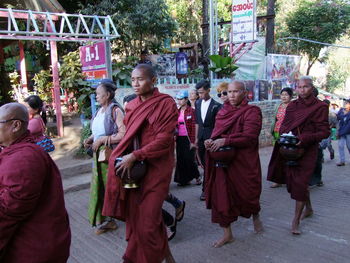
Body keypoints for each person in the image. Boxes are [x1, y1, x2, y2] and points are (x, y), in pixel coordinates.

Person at [103, 64, 178, 263]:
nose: (135, 84)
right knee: (141, 219)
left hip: (157, 167)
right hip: (135, 171)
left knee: (147, 221)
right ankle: (168, 258)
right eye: (133, 79)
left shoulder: (166, 104)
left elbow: (164, 140)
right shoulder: (131, 105)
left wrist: (136, 155)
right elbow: (128, 135)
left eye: (141, 79)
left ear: (153, 81)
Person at [0, 103, 71, 262]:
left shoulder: (24, 158)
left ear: (15, 125)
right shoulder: (17, 151)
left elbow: (9, 209)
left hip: (33, 247)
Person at [204, 80, 263, 248]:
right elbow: (217, 134)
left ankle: (255, 214)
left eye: (236, 92)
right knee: (221, 196)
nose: (231, 95)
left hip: (244, 161)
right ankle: (227, 234)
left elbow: (250, 137)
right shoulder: (223, 112)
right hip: (223, 162)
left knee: (249, 193)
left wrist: (226, 140)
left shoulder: (252, 111)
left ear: (245, 93)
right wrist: (211, 141)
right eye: (229, 92)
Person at [267, 76, 330, 235]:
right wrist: (285, 136)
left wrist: (304, 138)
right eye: (299, 87)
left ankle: (295, 220)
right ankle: (308, 208)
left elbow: (324, 131)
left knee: (301, 183)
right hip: (291, 149)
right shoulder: (293, 105)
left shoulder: (320, 106)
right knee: (295, 183)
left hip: (307, 149)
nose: (302, 90)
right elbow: (285, 125)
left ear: (312, 87)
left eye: (305, 87)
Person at [83, 81, 126, 235]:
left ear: (107, 95)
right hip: (99, 157)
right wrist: (91, 138)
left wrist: (102, 140)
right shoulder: (100, 111)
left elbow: (123, 134)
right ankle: (109, 220)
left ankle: (117, 218)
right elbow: (99, 131)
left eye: (98, 94)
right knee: (101, 188)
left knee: (112, 188)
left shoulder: (115, 110)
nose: (96, 96)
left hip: (109, 156)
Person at [195, 80, 221, 201]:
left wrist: (213, 138)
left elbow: (218, 125)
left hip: (211, 138)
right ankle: (210, 186)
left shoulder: (216, 106)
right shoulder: (197, 103)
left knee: (209, 163)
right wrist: (195, 138)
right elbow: (197, 122)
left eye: (202, 92)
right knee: (204, 165)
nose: (200, 95)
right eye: (198, 93)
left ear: (208, 90)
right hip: (200, 138)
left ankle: (205, 190)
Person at [174, 90, 201, 186]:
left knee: (189, 158)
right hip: (179, 138)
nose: (179, 101)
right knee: (180, 159)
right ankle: (184, 180)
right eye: (177, 99)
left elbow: (194, 126)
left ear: (186, 100)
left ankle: (197, 176)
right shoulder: (177, 111)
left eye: (181, 99)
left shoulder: (191, 111)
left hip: (189, 138)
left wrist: (194, 141)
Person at [270, 87, 293, 188]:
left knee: (287, 157)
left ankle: (289, 179)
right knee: (277, 157)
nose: (283, 96)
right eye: (282, 94)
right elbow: (275, 119)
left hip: (288, 135)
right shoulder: (278, 106)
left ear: (290, 96)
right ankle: (277, 180)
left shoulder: (293, 107)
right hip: (277, 133)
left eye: (286, 95)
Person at [336, 99, 350, 166]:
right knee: (340, 146)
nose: (345, 104)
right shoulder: (342, 110)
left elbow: (348, 126)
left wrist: (344, 115)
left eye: (347, 103)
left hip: (348, 132)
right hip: (342, 132)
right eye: (345, 103)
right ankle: (342, 161)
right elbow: (338, 117)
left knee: (349, 146)